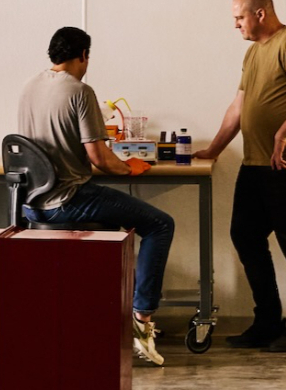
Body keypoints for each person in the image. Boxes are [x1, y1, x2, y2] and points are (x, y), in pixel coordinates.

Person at [17, 26, 177, 367]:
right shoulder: (80, 91)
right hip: (70, 198)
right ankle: (142, 320)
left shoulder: (29, 87)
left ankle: (99, 320)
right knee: (161, 224)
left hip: (33, 206)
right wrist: (129, 168)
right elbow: (99, 158)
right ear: (83, 56)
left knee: (113, 224)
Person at [196, 0, 286, 353]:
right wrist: (214, 150)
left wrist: (283, 133)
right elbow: (239, 107)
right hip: (255, 163)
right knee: (245, 236)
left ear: (261, 14)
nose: (235, 25)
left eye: (239, 17)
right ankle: (268, 321)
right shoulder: (254, 53)